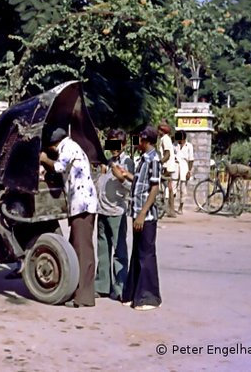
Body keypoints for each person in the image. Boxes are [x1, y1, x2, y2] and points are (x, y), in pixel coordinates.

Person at [40, 128, 98, 308]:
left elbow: (58, 167)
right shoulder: (72, 146)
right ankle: (77, 291)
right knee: (76, 248)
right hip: (80, 204)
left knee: (83, 251)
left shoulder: (68, 147)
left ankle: (84, 297)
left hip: (82, 205)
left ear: (54, 144)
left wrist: (43, 159)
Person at [118, 126, 162, 311]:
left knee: (146, 255)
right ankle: (133, 293)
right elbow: (139, 182)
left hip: (146, 215)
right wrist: (125, 175)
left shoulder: (154, 159)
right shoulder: (142, 160)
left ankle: (149, 296)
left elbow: (154, 187)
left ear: (145, 140)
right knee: (137, 253)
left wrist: (143, 213)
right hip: (136, 212)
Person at [95, 129, 134, 301]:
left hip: (117, 212)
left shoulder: (127, 162)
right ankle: (102, 285)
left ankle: (120, 287)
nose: (113, 148)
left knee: (119, 251)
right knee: (103, 250)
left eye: (116, 144)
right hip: (102, 210)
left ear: (123, 144)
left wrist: (121, 177)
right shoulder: (108, 162)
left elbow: (132, 186)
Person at [157, 122, 177, 217]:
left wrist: (159, 163)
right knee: (169, 188)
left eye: (159, 130)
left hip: (166, 167)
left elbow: (167, 154)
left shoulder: (165, 139)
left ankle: (168, 208)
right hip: (168, 166)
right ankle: (171, 209)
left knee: (165, 187)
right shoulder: (166, 139)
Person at [173, 130, 194, 214]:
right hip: (175, 165)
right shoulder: (174, 145)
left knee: (183, 188)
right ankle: (171, 206)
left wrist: (189, 171)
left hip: (184, 166)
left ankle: (180, 207)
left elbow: (191, 159)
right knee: (173, 187)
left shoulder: (189, 146)